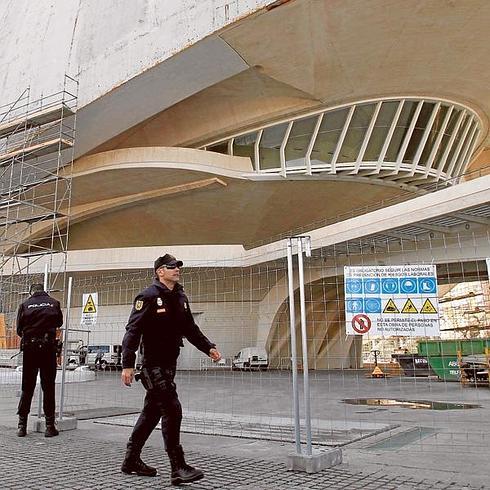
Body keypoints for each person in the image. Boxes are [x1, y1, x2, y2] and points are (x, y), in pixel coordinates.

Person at [121, 254, 221, 486]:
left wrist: (209, 348)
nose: (177, 269)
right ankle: (178, 467)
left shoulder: (180, 297)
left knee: (151, 413)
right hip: (152, 365)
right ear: (160, 271)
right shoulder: (147, 297)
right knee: (172, 410)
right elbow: (133, 331)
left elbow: (190, 328)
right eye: (171, 267)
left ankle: (131, 460)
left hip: (169, 364)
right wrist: (127, 364)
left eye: (178, 266)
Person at [16, 283, 63, 437]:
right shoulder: (54, 303)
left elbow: (18, 329)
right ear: (44, 290)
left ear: (31, 291)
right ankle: (50, 426)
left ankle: (22, 426)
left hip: (30, 349)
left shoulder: (24, 305)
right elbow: (59, 323)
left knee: (27, 387)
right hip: (48, 349)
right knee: (48, 387)